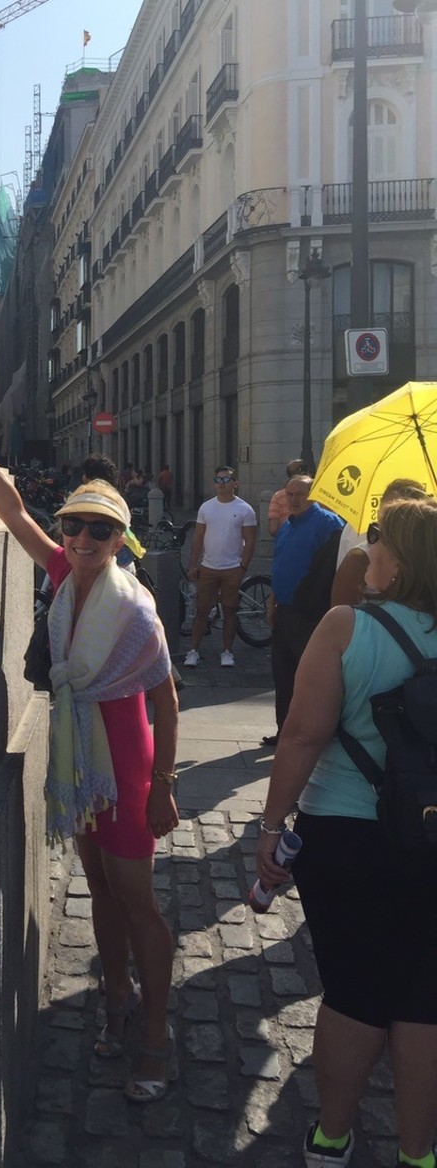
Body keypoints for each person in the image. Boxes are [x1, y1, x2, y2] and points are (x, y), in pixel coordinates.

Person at [0, 408, 180, 1104]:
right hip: (78, 747)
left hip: (124, 755)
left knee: (139, 901)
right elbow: (12, 516)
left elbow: (167, 700)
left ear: (121, 538)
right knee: (100, 887)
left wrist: (162, 785)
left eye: (99, 528)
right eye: (73, 525)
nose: (81, 537)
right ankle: (118, 996)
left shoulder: (136, 608)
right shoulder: (62, 575)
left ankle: (156, 1035)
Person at [256, 497, 437, 1168]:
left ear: (402, 559)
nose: (370, 552)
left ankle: (332, 1138)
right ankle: (419, 1153)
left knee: (356, 991)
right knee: (425, 999)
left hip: (347, 833)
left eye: (380, 542)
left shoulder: (344, 628)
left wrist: (272, 827)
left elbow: (302, 735)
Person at [264, 477, 344, 746]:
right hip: (285, 611)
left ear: (314, 495)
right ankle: (284, 729)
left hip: (311, 613)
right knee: (283, 674)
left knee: (310, 677)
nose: (294, 499)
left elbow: (335, 569)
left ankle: (311, 733)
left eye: (300, 493)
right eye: (289, 494)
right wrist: (272, 600)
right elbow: (280, 564)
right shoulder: (287, 525)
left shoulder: (328, 524)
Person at [184, 466, 258, 668]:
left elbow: (250, 540)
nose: (221, 484)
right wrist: (193, 565)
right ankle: (194, 651)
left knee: (230, 610)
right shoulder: (206, 507)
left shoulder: (245, 509)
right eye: (218, 479)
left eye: (226, 480)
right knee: (201, 611)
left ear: (235, 483)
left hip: (232, 568)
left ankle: (227, 651)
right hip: (208, 567)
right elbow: (198, 538)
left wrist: (242, 567)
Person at [330, 478, 429, 608]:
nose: (397, 518)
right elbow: (339, 618)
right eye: (391, 511)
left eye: (406, 511)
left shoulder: (428, 557)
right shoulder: (359, 558)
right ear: (379, 513)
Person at [268, 459, 310, 536]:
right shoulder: (315, 495)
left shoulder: (278, 496)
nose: (294, 499)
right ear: (305, 472)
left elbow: (273, 529)